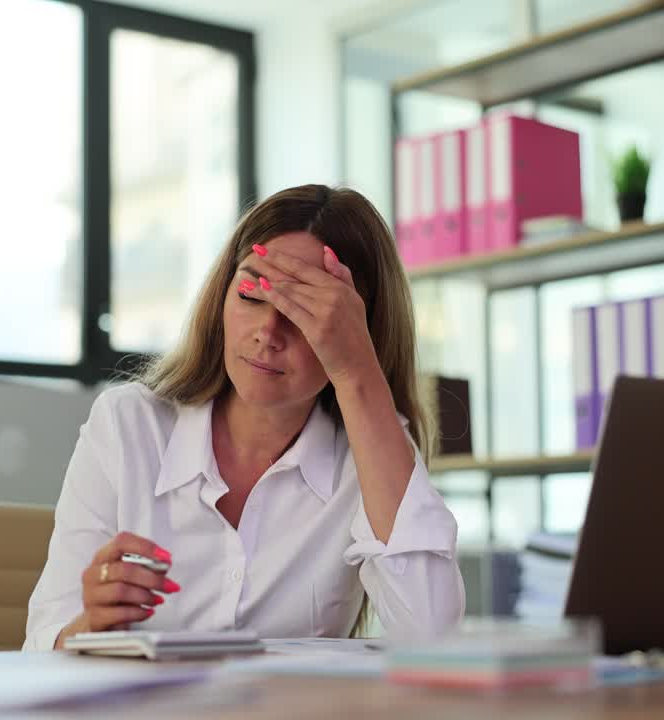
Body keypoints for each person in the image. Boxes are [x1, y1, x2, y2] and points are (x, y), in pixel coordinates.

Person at [23, 184, 465, 651]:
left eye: (304, 312)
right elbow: (41, 644)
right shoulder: (127, 425)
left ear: (358, 331)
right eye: (252, 294)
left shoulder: (370, 450)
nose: (267, 333)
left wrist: (358, 374)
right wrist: (90, 627)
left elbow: (434, 637)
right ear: (222, 297)